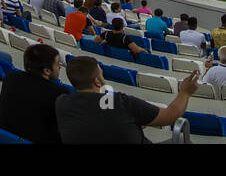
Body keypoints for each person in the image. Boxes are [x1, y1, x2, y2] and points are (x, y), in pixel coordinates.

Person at [55, 56, 200, 144]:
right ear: (97, 82)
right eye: (101, 75)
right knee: (182, 139)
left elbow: (101, 117)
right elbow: (171, 116)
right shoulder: (123, 104)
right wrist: (185, 92)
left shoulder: (62, 103)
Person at [0, 44, 67, 144]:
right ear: (47, 71)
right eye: (58, 64)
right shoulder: (59, 93)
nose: (60, 67)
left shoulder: (11, 76)